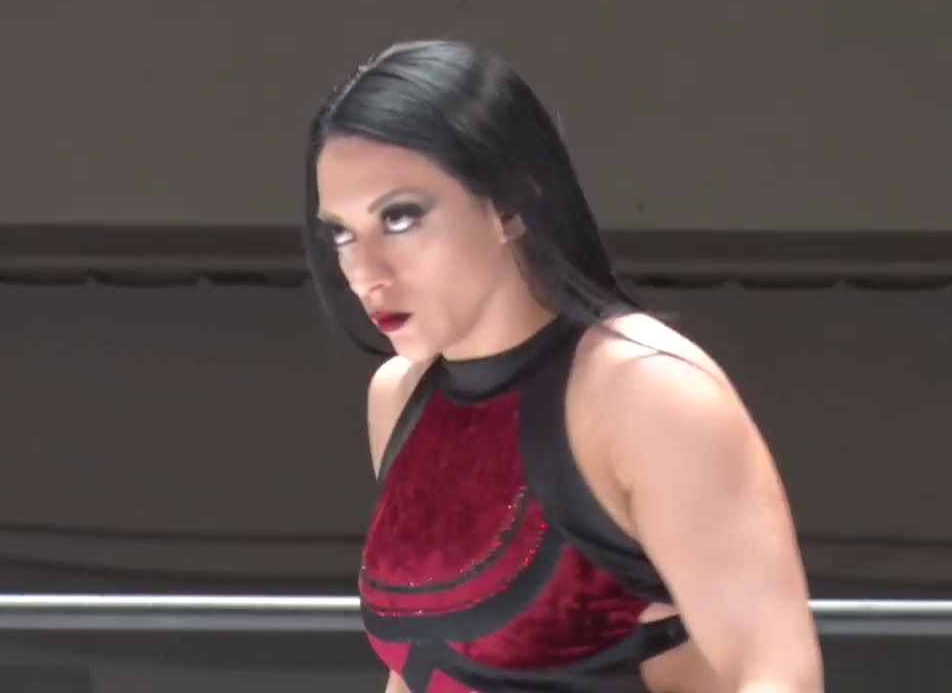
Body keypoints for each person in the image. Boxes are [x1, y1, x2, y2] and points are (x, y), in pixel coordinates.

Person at [301, 40, 824, 693]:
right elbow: (413, 673)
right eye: (341, 233)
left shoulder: (645, 392)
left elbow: (777, 675)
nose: (365, 272)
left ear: (511, 201)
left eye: (400, 218)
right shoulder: (400, 397)